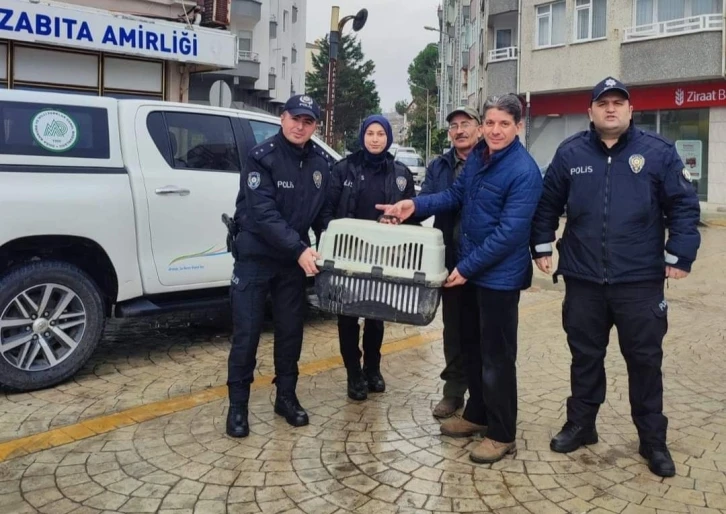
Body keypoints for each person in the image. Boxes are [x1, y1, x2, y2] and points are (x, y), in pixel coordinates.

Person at [530, 77, 701, 477]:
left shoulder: (657, 153)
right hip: (584, 280)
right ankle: (582, 425)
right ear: (591, 111)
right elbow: (547, 204)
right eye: (602, 103)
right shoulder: (570, 153)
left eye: (618, 103)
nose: (610, 109)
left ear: (630, 109)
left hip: (639, 282)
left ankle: (652, 441)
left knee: (644, 362)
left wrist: (680, 255)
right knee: (585, 357)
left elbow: (683, 207)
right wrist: (541, 245)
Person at [377, 95, 543, 464]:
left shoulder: (523, 170)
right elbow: (454, 195)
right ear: (482, 125)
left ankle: (502, 434)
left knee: (497, 357)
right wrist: (413, 206)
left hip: (498, 278)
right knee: (472, 348)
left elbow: (509, 234)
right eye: (491, 123)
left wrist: (466, 268)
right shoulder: (480, 158)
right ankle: (476, 416)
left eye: (504, 124)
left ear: (519, 127)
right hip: (471, 272)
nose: (496, 130)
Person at [226, 94, 332, 438]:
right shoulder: (262, 158)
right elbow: (264, 215)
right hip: (255, 258)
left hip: (291, 264)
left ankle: (285, 397)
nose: (300, 126)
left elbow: (323, 215)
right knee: (247, 336)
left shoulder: (319, 163)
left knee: (290, 334)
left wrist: (335, 242)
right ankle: (237, 408)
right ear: (283, 118)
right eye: (295, 119)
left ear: (315, 126)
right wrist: (302, 249)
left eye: (308, 121)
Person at [321, 115, 416, 401]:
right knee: (348, 316)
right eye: (370, 133)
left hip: (383, 254)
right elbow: (326, 212)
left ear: (389, 138)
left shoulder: (401, 173)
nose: (375, 139)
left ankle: (372, 368)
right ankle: (353, 373)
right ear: (362, 136)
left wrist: (398, 223)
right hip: (348, 252)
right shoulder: (343, 169)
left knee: (377, 315)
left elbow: (412, 215)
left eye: (381, 134)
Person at [418, 106, 482, 419]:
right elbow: (428, 201)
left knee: (483, 330)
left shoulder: (491, 161)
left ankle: (482, 397)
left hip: (484, 262)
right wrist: (402, 213)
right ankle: (454, 391)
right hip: (450, 260)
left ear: (479, 128)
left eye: (466, 124)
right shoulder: (439, 165)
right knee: (454, 329)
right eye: (454, 126)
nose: (460, 130)